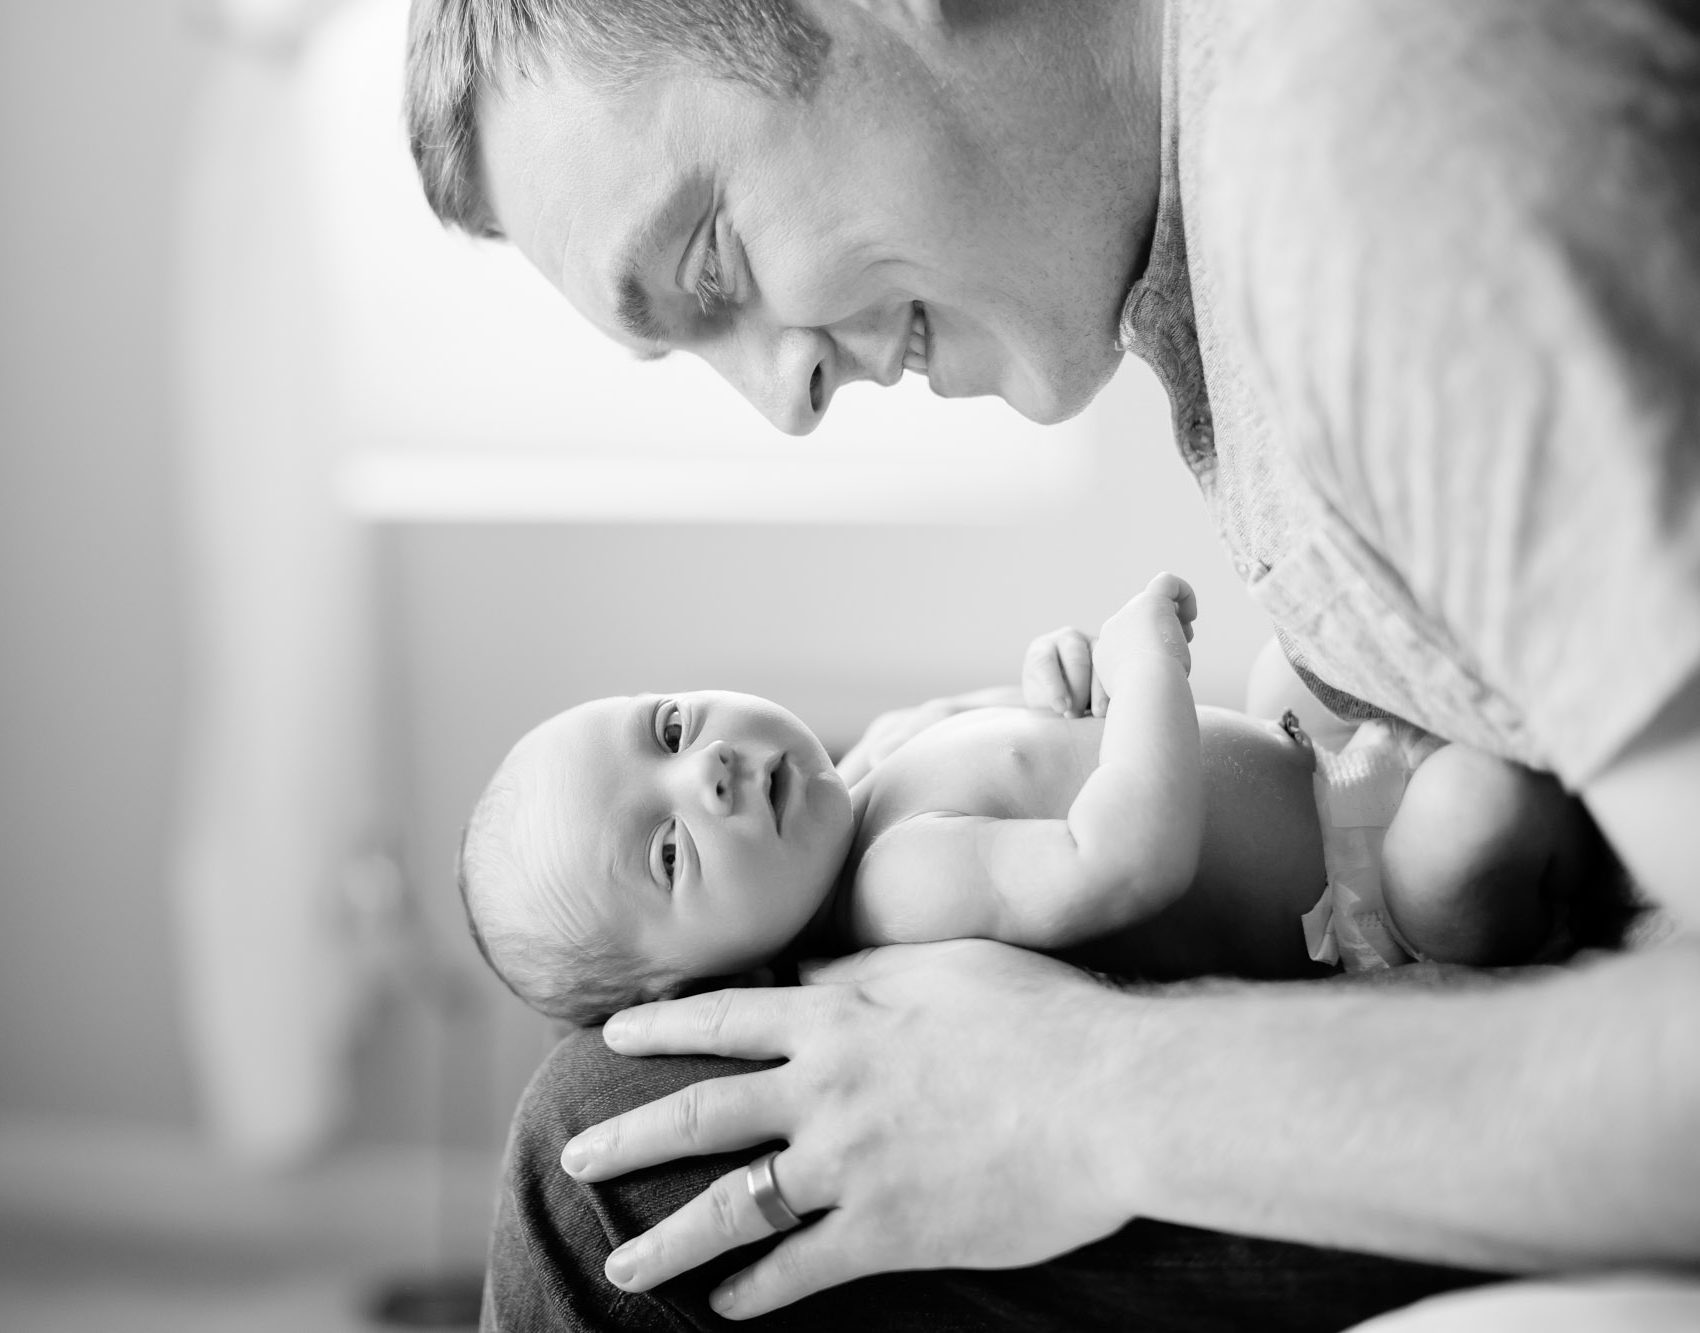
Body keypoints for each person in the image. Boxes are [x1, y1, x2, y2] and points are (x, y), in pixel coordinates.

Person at [404, 0, 1700, 1327]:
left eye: (715, 258)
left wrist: (1091, 1092)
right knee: (646, 1118)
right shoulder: (1225, 233)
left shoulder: (1351, 186)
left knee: (612, 1165)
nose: (779, 404)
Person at [462, 575, 1603, 1029]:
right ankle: (1595, 866)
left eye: (667, 729)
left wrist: (1061, 677)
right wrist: (1150, 668)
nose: (701, 769)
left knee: (1292, 653)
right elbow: (1120, 857)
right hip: (1359, 904)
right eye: (667, 851)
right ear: (703, 978)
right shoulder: (895, 887)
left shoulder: (875, 770)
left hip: (1316, 767)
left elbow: (1039, 743)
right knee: (1472, 826)